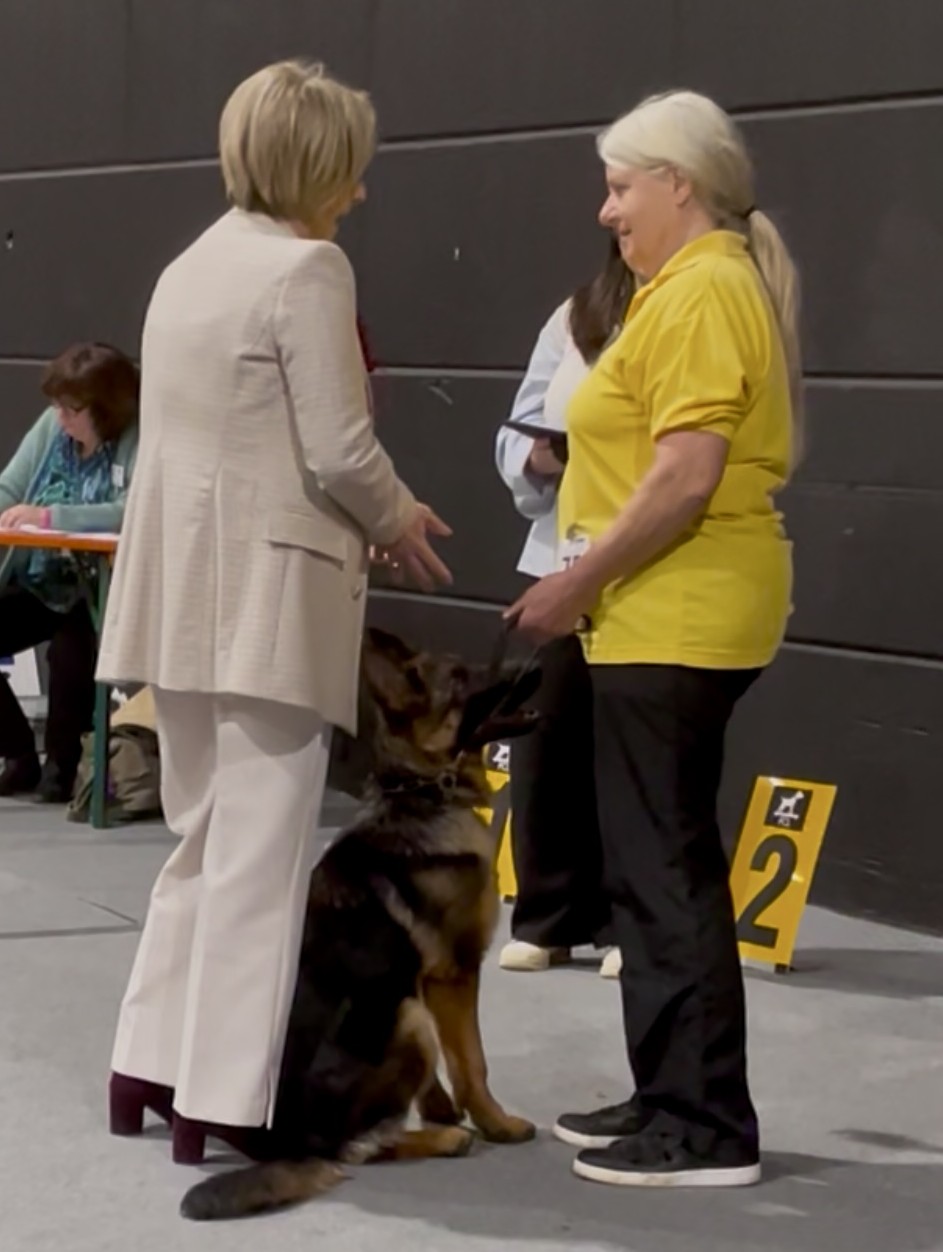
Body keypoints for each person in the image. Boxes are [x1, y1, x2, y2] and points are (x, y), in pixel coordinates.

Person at [99, 59, 451, 1164]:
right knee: (256, 861)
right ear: (314, 163)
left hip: (178, 597)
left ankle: (144, 1064)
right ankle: (224, 1099)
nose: (358, 190)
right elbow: (339, 447)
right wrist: (399, 515)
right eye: (349, 168)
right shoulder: (309, 269)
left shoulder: (188, 267)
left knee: (201, 844)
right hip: (270, 601)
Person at [508, 89, 800, 1188]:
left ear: (678, 184)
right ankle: (667, 1090)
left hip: (674, 611)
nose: (606, 210)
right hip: (652, 609)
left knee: (663, 870)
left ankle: (704, 1125)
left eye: (621, 187)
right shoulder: (680, 289)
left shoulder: (704, 292)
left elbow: (684, 476)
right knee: (646, 867)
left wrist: (574, 580)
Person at [494, 239, 630, 976]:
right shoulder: (575, 317)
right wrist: (542, 456)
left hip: (645, 558)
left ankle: (627, 923)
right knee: (546, 740)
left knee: (631, 747)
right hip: (560, 552)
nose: (615, 216)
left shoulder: (692, 310)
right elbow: (516, 429)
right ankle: (547, 916)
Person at [0, 343, 139, 802]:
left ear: (106, 409)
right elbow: (10, 488)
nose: (60, 416)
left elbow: (132, 509)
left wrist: (50, 517)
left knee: (70, 651)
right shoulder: (52, 426)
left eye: (72, 409)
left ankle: (63, 766)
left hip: (99, 588)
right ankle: (17, 753)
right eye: (56, 405)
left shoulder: (136, 439)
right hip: (39, 578)